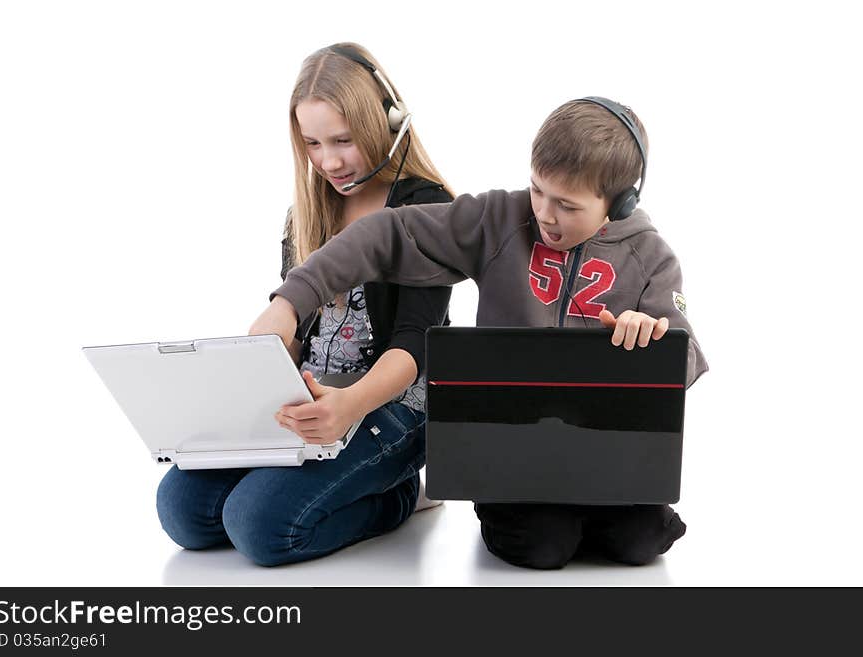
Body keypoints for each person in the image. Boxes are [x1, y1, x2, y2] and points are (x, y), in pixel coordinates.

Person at [254, 96, 709, 569]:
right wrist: (292, 300)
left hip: (609, 459)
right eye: (538, 190)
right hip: (513, 459)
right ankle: (559, 521)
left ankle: (595, 517)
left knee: (641, 542)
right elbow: (385, 234)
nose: (546, 214)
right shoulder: (499, 222)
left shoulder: (653, 258)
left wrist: (652, 336)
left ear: (620, 202)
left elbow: (688, 354)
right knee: (541, 547)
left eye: (567, 205)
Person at [157, 43, 453, 566]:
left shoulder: (426, 208)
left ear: (386, 124)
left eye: (344, 140)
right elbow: (298, 332)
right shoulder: (310, 209)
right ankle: (321, 482)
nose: (329, 161)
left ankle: (400, 496)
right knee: (183, 509)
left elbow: (415, 343)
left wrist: (351, 406)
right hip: (315, 400)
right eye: (313, 143)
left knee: (259, 525)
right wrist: (254, 375)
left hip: (392, 404)